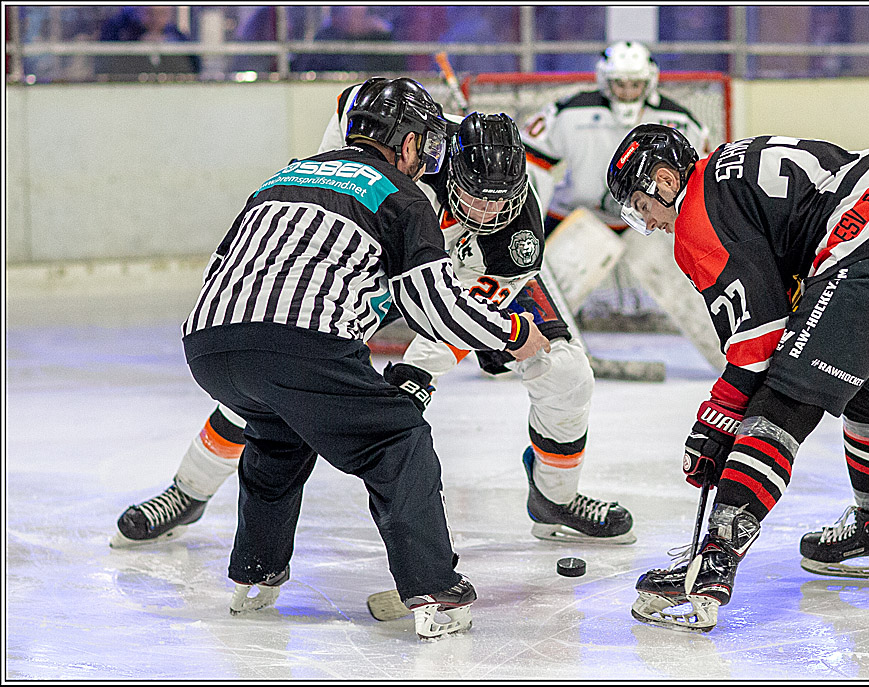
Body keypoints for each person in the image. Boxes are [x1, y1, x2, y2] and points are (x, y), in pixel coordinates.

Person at [111, 90, 635, 555]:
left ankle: (555, 498)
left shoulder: (515, 230)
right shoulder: (409, 156)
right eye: (475, 197)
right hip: (380, 259)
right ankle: (189, 488)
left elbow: (459, 315)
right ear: (443, 166)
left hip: (455, 275)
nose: (489, 211)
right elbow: (347, 124)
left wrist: (418, 372)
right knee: (290, 372)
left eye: (501, 200)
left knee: (567, 372)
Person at [178, 77, 549, 639]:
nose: (427, 154)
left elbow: (224, 261)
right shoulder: (401, 196)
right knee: (397, 440)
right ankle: (434, 591)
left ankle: (254, 576)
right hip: (299, 345)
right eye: (423, 141)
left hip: (208, 343)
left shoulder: (283, 176)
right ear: (404, 144)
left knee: (277, 435)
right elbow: (437, 309)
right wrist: (516, 332)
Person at [606, 124, 869, 632]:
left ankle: (712, 562)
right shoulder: (728, 167)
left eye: (643, 206)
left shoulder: (695, 216)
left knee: (782, 402)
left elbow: (759, 337)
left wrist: (714, 422)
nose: (650, 221)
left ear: (665, 181)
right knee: (868, 401)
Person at [520, 41, 725, 371]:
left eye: (635, 84)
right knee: (547, 284)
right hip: (581, 217)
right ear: (604, 81)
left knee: (685, 290)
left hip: (651, 223)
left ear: (650, 82)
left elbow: (698, 179)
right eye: (620, 84)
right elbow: (531, 160)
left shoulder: (678, 120)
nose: (628, 92)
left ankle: (730, 359)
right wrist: (530, 220)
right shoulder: (570, 111)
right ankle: (530, 352)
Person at [291, 6, 405, 73]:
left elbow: (396, 73)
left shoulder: (382, 39)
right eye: (351, 13)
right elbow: (304, 72)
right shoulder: (325, 38)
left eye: (361, 15)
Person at [97, 6, 199, 76]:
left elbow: (194, 68)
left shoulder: (178, 37)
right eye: (150, 13)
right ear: (139, 11)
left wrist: (168, 47)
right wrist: (138, 46)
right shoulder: (121, 33)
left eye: (162, 14)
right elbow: (107, 66)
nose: (155, 19)